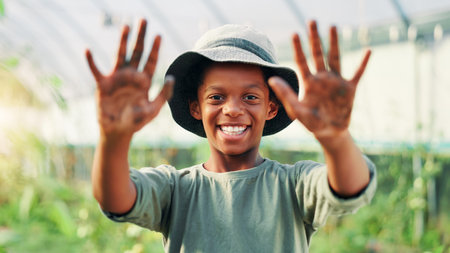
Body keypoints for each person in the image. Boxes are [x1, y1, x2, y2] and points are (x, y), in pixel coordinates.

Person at [85, 18, 376, 252]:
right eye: (216, 97)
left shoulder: (293, 185)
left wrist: (335, 138)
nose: (233, 109)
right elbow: (115, 199)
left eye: (250, 97)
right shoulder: (175, 189)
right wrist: (114, 139)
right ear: (195, 107)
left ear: (271, 108)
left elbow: (350, 187)